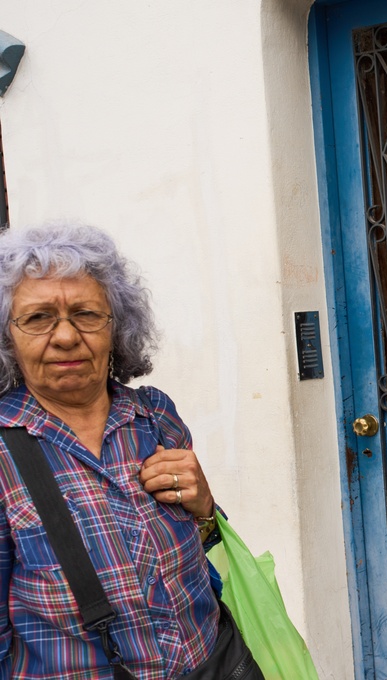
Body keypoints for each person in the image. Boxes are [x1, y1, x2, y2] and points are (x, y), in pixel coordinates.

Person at [0, 221, 227, 678]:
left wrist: (205, 508)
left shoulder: (155, 416)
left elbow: (206, 560)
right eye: (38, 317)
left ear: (116, 327)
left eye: (85, 314)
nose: (65, 337)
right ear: (8, 336)